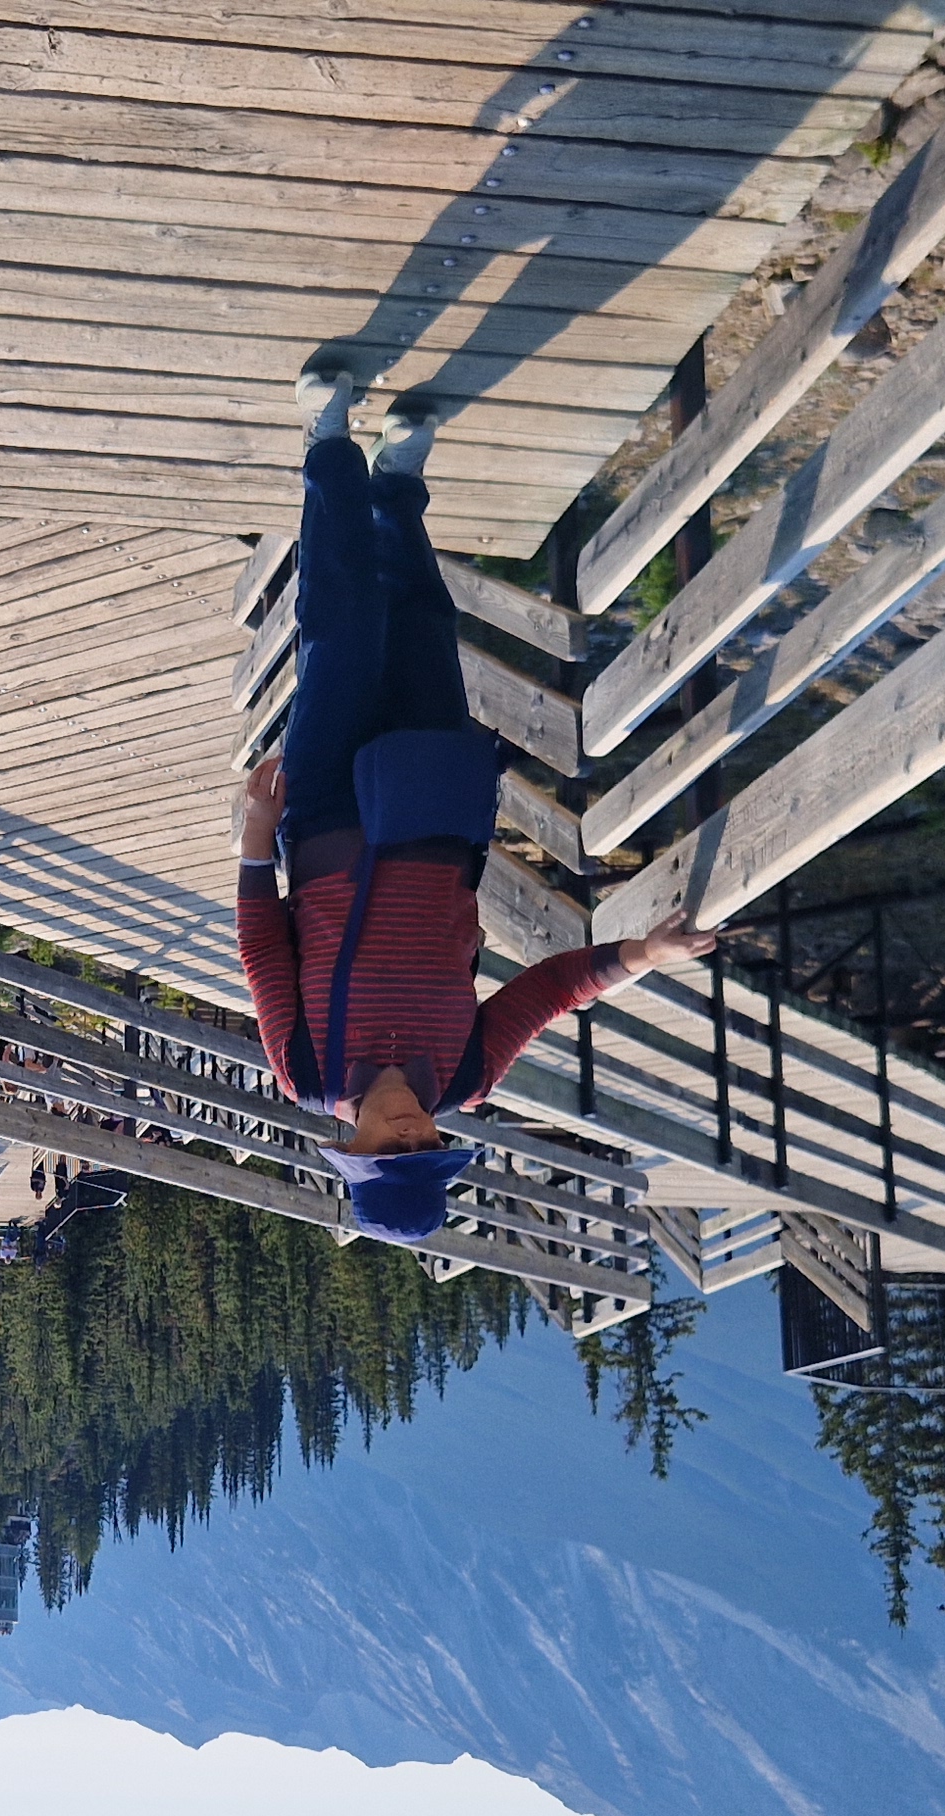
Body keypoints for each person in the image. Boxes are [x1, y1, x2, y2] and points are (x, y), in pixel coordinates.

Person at [233, 360, 718, 1245]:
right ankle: (398, 488)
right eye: (428, 1147)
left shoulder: (303, 1069)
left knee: (340, 638)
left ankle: (330, 446)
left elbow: (263, 947)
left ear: (355, 1144)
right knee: (421, 629)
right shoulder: (466, 1078)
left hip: (328, 817)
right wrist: (645, 952)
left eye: (396, 1147)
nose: (417, 1131)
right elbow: (549, 991)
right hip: (434, 820)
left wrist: (256, 844)